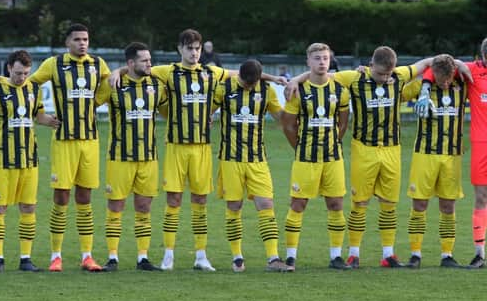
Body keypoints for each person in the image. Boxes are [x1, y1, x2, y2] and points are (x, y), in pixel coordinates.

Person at [110, 29, 285, 271]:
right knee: (173, 200)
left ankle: (201, 256)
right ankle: (168, 256)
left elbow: (242, 73)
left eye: (197, 49)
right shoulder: (167, 72)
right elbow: (138, 69)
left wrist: (272, 79)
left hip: (202, 147)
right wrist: (115, 72)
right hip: (176, 147)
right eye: (189, 48)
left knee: (200, 200)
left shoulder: (211, 73)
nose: (194, 53)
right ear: (179, 49)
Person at [286, 46, 457, 268]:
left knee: (389, 204)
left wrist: (458, 64)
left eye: (388, 74)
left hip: (392, 149)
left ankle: (388, 254)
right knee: (360, 202)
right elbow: (322, 75)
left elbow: (428, 62)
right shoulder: (355, 77)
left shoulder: (399, 76)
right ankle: (353, 254)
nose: (385, 78)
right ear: (370, 65)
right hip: (363, 149)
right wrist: (295, 80)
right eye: (380, 74)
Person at [28, 23, 110, 272]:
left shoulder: (98, 64)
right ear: (67, 43)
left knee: (85, 198)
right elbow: (29, 85)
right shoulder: (54, 64)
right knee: (61, 197)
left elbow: (110, 82)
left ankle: (87, 255)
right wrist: (40, 115)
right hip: (64, 140)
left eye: (85, 39)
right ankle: (56, 255)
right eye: (77, 39)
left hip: (90, 141)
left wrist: (98, 99)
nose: (82, 43)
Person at [0, 50, 59, 273]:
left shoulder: (33, 89)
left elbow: (38, 116)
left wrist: (53, 122)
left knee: (29, 207)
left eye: (26, 73)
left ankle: (25, 259)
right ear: (9, 68)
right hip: (2, 161)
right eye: (19, 73)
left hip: (29, 160)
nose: (22, 77)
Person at [214, 59, 291, 272]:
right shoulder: (224, 88)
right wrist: (208, 117)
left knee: (266, 204)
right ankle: (237, 257)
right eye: (247, 84)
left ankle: (273, 258)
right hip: (230, 159)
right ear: (239, 76)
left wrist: (293, 108)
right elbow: (207, 110)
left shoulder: (266, 90)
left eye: (253, 83)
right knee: (234, 207)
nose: (250, 87)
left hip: (257, 159)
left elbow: (281, 117)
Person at [96, 42, 167, 272]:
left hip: (148, 157)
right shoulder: (114, 84)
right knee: (115, 206)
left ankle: (142, 258)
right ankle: (113, 257)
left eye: (149, 60)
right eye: (145, 60)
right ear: (130, 63)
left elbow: (168, 111)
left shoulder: (156, 84)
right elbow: (89, 106)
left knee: (144, 206)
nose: (149, 64)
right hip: (119, 156)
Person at [416, 39, 486, 268]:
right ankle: (479, 254)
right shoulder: (472, 72)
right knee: (481, 198)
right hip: (481, 143)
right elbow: (436, 66)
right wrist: (426, 87)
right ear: (482, 56)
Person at [281, 43, 351, 271]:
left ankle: (335, 257)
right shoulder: (297, 91)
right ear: (308, 62)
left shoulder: (340, 90)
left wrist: (332, 142)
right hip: (305, 158)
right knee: (298, 203)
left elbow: (342, 123)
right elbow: (288, 126)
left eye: (325, 58)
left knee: (336, 203)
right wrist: (300, 148)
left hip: (333, 158)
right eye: (317, 58)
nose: (322, 62)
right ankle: (290, 256)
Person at [403, 54, 466, 269]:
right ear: (434, 74)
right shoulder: (423, 86)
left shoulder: (462, 85)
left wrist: (458, 67)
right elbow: (396, 94)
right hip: (425, 153)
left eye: (448, 79)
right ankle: (415, 255)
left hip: (452, 155)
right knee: (419, 204)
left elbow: (468, 70)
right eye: (441, 79)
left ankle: (447, 255)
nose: (445, 83)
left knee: (448, 206)